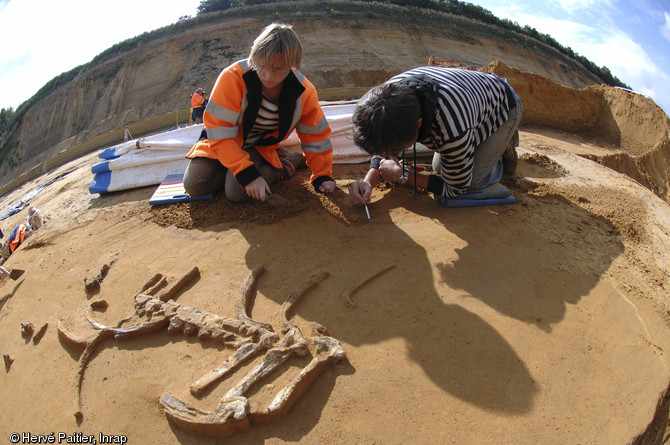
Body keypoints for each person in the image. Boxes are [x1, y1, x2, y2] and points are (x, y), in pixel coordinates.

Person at [183, 23, 336, 202]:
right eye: (261, 66)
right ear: (254, 58)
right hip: (222, 142)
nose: (268, 76)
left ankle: (284, 164)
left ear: (293, 65)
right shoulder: (232, 77)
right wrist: (245, 172)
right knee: (194, 185)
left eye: (278, 69)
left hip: (259, 146)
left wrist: (322, 175)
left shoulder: (304, 92)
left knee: (236, 193)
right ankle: (236, 166)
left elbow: (316, 135)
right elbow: (219, 131)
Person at [348, 66, 522, 207]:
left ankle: (503, 143)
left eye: (397, 148)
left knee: (471, 183)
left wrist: (404, 176)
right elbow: (385, 141)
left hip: (502, 107)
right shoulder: (387, 98)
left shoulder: (452, 127)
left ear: (418, 124)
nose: (392, 152)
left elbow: (455, 188)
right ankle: (478, 146)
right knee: (438, 166)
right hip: (470, 103)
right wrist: (368, 182)